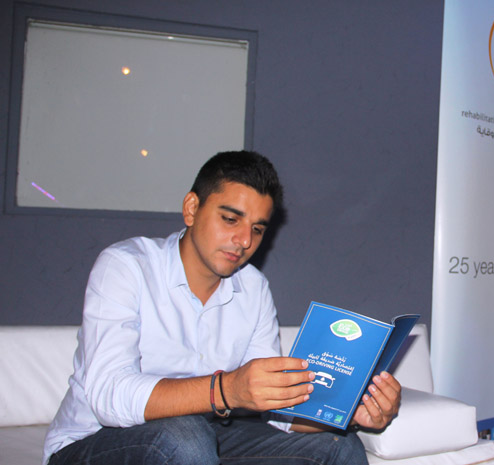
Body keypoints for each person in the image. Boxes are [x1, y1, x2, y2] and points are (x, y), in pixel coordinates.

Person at [43, 151, 401, 465]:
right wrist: (226, 389)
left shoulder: (253, 288)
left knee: (337, 446)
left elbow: (276, 412)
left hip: (202, 438)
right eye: (230, 219)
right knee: (184, 437)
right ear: (191, 208)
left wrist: (346, 412)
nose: (244, 241)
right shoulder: (125, 266)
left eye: (257, 229)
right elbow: (108, 396)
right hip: (94, 442)